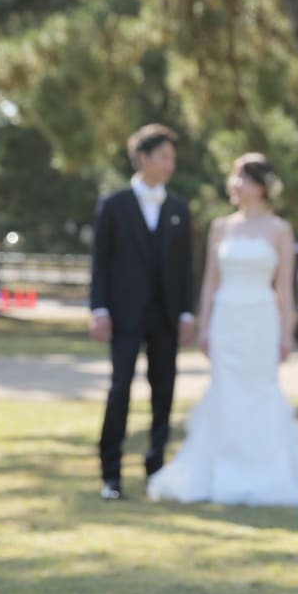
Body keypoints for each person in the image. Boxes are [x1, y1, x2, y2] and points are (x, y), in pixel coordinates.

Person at [146, 153, 298, 506]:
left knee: (261, 391)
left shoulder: (279, 230)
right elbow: (209, 282)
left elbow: (284, 287)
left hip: (261, 319)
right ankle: (219, 470)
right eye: (233, 177)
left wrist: (287, 331)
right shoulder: (221, 227)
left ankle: (266, 471)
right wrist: (204, 325)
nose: (234, 185)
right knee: (225, 390)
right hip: (226, 319)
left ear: (260, 186)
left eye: (241, 177)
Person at [89, 124, 195, 501]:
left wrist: (186, 313)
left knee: (163, 394)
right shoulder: (113, 205)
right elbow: (100, 262)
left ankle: (155, 468)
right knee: (120, 390)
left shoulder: (179, 209)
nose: (170, 165)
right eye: (164, 157)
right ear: (143, 158)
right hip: (123, 315)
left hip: (166, 318)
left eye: (172, 158)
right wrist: (98, 308)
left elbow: (185, 268)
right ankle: (111, 474)